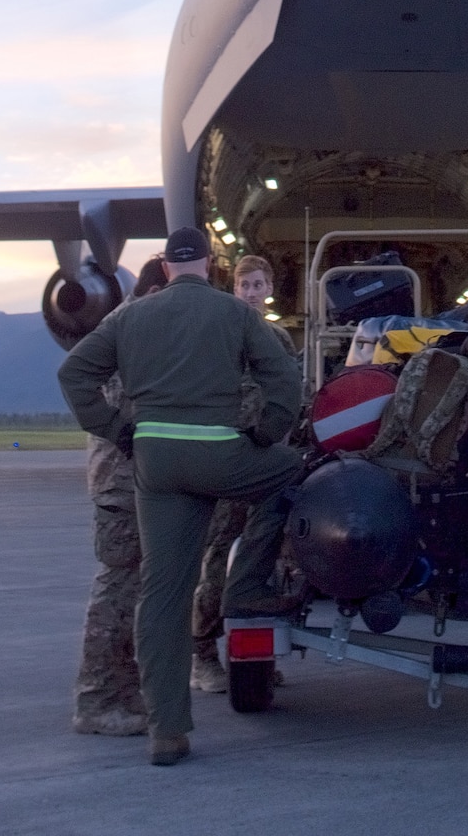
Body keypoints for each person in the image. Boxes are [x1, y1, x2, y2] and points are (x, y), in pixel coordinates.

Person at [58, 225, 303, 767]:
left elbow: (73, 372)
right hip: (221, 456)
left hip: (154, 467)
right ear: (214, 267)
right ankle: (245, 592)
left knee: (162, 595)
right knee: (297, 476)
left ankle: (167, 731)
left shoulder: (129, 315)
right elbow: (284, 378)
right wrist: (267, 433)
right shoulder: (235, 314)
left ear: (166, 268)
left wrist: (118, 429)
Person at [190, 252, 296, 695]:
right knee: (217, 558)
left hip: (267, 460)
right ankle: (202, 653)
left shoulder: (280, 339)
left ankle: (256, 655)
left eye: (258, 284)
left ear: (270, 288)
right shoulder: (222, 333)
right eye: (244, 285)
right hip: (228, 460)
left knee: (266, 560)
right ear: (233, 290)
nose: (251, 292)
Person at [71, 254, 168, 736]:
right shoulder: (123, 331)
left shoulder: (133, 328)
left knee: (133, 588)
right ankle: (97, 699)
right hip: (120, 482)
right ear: (155, 294)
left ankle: (122, 692)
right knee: (118, 587)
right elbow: (91, 389)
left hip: (134, 480)